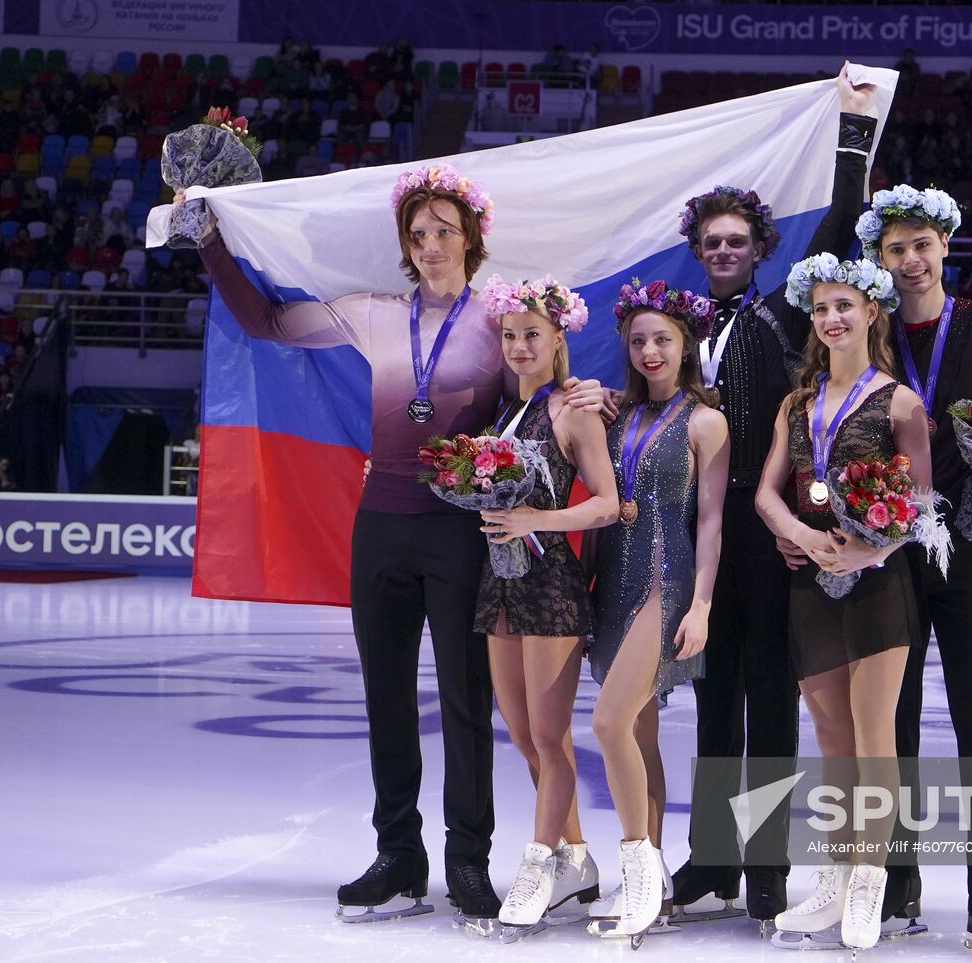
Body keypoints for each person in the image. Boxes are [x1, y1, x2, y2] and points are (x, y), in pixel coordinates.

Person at [178, 164, 607, 931]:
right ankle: (398, 855)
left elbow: (534, 392)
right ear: (406, 247)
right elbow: (267, 324)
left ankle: (467, 861)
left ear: (471, 238)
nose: (432, 244)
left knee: (467, 703)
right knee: (385, 696)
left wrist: (585, 392)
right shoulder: (370, 311)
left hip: (459, 531)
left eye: (444, 230)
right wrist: (210, 241)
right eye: (418, 234)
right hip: (379, 523)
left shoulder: (496, 318)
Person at [655, 64, 880, 924]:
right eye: (709, 243)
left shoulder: (786, 314)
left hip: (774, 522)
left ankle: (767, 870)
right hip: (701, 529)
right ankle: (711, 856)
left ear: (758, 249)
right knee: (713, 689)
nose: (721, 252)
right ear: (698, 251)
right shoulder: (673, 325)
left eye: (734, 242)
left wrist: (854, 130)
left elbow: (838, 228)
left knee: (771, 696)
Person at [855, 184, 972, 958]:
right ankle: (898, 882)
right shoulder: (869, 332)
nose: (910, 260)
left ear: (945, 246)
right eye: (895, 249)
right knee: (892, 726)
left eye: (921, 244)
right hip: (889, 549)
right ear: (881, 260)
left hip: (966, 545)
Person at [754, 254, 931, 951]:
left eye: (844, 306)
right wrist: (798, 532)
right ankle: (834, 873)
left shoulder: (901, 403)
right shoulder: (796, 406)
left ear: (871, 313)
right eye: (822, 308)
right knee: (830, 740)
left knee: (872, 737)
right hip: (810, 586)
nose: (831, 319)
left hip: (878, 585)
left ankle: (869, 880)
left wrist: (869, 550)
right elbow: (770, 490)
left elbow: (921, 504)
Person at [584, 281, 729, 943]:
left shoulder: (705, 420)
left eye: (661, 339)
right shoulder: (616, 415)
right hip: (612, 579)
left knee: (609, 722)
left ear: (686, 344)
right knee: (637, 732)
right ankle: (658, 877)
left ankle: (638, 867)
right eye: (639, 340)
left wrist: (701, 603)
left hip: (665, 584)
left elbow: (712, 519)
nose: (649, 350)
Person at [472, 276, 618, 935]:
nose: (520, 345)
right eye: (510, 335)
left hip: (552, 584)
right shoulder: (506, 411)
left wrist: (540, 514)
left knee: (551, 736)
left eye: (532, 334)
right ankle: (576, 854)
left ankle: (538, 864)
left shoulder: (573, 406)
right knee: (524, 733)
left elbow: (608, 502)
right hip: (501, 583)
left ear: (558, 338)